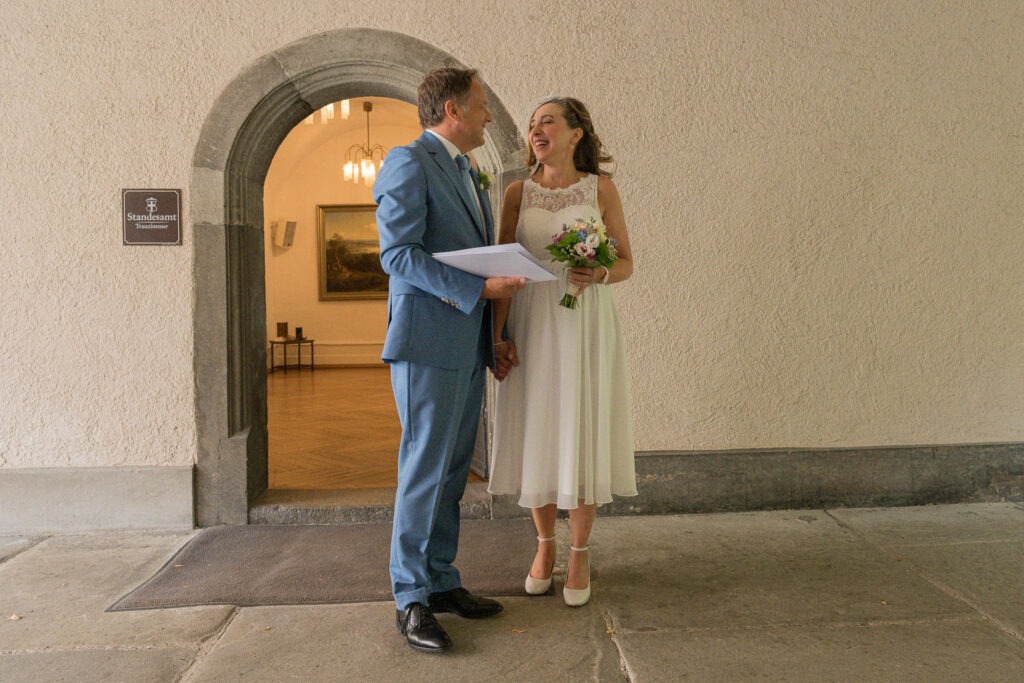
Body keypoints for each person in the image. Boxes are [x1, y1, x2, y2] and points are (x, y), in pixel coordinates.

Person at [373, 67, 525, 653]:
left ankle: (439, 581)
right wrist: (479, 294)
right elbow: (398, 256)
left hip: (464, 345)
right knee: (424, 470)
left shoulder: (466, 170)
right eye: (483, 106)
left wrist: (492, 338)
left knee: (453, 470)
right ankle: (409, 599)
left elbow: (475, 257)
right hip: (426, 344)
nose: (489, 116)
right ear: (454, 110)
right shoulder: (408, 161)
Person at [488, 97, 637, 608]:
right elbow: (503, 271)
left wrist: (597, 272)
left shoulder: (601, 189)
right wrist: (498, 337)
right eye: (532, 124)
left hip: (584, 324)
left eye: (547, 120)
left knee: (581, 425)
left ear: (576, 134)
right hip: (532, 322)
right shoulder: (516, 193)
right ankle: (544, 545)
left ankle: (579, 551)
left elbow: (625, 264)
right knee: (541, 428)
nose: (536, 129)